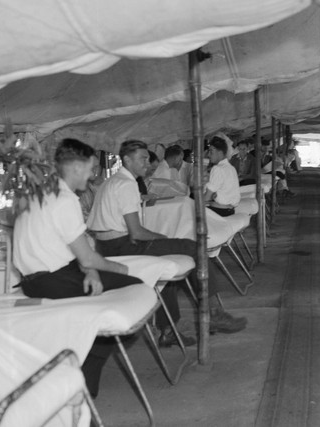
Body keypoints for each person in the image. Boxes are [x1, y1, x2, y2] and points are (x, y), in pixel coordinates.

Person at [88, 140, 247, 347]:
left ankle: (168, 330)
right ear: (127, 159)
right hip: (122, 246)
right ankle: (213, 313)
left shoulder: (112, 181)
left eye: (147, 157)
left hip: (107, 246)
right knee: (193, 247)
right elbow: (137, 232)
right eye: (142, 158)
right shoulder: (126, 184)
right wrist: (165, 239)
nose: (147, 163)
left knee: (167, 270)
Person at [14, 138, 141, 397]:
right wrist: (121, 269)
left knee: (112, 291)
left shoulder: (42, 191)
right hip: (51, 280)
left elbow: (78, 253)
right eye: (91, 167)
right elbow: (89, 258)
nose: (93, 174)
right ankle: (82, 382)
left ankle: (82, 359)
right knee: (136, 291)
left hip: (36, 279)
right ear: (75, 168)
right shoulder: (64, 199)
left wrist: (92, 270)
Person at [205, 136, 241, 217]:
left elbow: (207, 197)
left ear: (220, 152)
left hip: (220, 212)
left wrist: (194, 202)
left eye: (211, 151)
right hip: (230, 211)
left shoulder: (217, 168)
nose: (208, 155)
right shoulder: (231, 168)